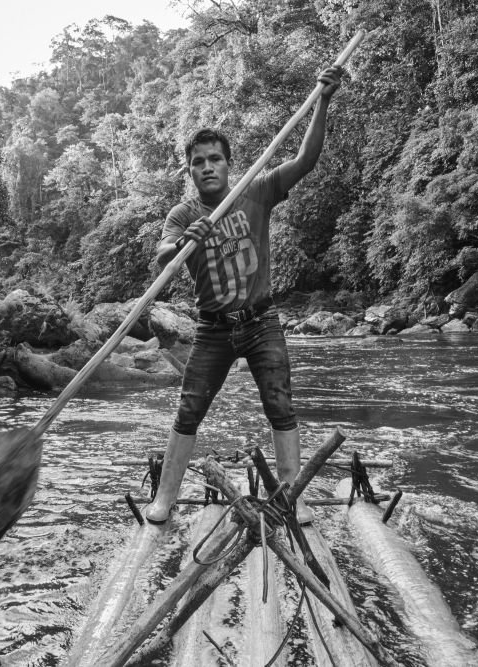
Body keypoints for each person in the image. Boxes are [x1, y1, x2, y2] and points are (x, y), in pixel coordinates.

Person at [144, 65, 344, 525]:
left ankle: (292, 494)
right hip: (213, 329)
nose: (207, 166)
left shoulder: (256, 190)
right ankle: (166, 498)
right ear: (190, 170)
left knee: (280, 403)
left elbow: (305, 161)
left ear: (228, 163)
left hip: (260, 322)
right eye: (198, 161)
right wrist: (180, 243)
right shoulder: (183, 213)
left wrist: (323, 103)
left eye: (214, 158)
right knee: (189, 408)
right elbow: (161, 256)